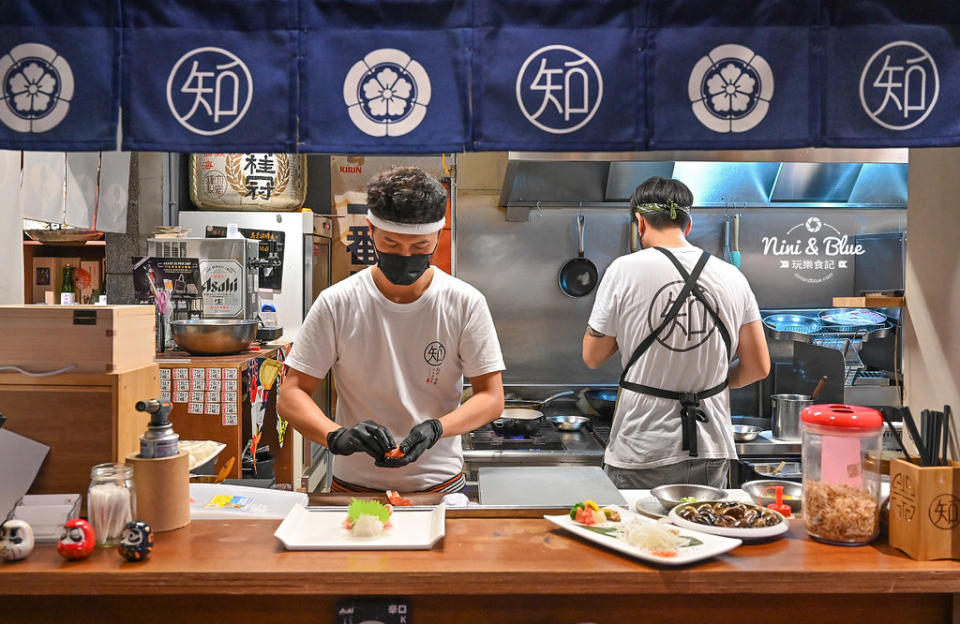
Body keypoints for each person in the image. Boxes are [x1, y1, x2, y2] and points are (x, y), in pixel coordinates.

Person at [279, 166, 505, 493]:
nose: (405, 257)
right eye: (392, 244)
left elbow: (491, 396)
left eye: (419, 248)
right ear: (370, 231)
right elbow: (292, 393)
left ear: (438, 238)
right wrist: (335, 435)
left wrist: (437, 428)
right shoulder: (337, 303)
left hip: (440, 489)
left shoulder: (465, 303)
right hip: (354, 488)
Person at [582, 176, 770, 489]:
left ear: (639, 223)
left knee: (635, 535)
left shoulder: (623, 270)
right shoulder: (732, 276)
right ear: (689, 224)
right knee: (704, 535)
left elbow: (592, 356)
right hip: (710, 446)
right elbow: (759, 367)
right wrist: (712, 383)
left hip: (641, 445)